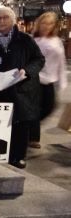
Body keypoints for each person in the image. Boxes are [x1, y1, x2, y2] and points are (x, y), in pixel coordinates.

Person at [0, 7, 45, 169]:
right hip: (2, 88)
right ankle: (2, 153)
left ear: (13, 20)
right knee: (4, 122)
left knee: (21, 122)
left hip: (22, 88)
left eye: (5, 18)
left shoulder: (24, 39)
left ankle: (18, 157)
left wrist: (26, 71)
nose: (1, 21)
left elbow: (39, 59)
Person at [28, 11, 68, 149]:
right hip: (35, 79)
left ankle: (27, 127)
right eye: (44, 23)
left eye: (50, 23)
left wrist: (63, 83)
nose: (47, 26)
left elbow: (61, 63)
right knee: (35, 108)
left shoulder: (57, 41)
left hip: (50, 80)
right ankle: (33, 138)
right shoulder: (33, 40)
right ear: (39, 24)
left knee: (49, 107)